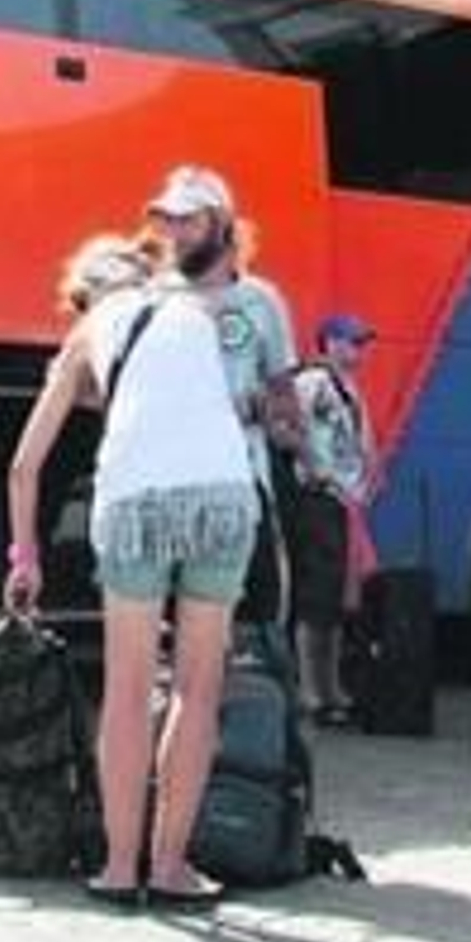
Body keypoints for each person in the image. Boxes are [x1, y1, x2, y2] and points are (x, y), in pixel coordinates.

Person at [3, 227, 257, 909]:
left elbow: (25, 466)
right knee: (197, 689)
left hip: (135, 500)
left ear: (83, 296)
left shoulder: (88, 329)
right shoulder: (194, 308)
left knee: (127, 688)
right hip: (223, 495)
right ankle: (171, 867)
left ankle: (119, 868)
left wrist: (25, 558)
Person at [142, 165, 301, 625]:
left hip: (240, 486)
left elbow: (285, 399)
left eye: (188, 220)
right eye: (170, 221)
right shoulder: (150, 299)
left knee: (253, 624)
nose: (176, 234)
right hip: (165, 490)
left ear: (221, 224)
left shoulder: (261, 301)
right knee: (173, 630)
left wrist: (262, 411)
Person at [288, 312, 378, 723]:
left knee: (340, 597)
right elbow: (293, 426)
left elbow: (361, 441)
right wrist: (315, 468)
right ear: (330, 343)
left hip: (346, 498)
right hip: (320, 495)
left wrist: (368, 475)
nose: (358, 351)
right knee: (317, 595)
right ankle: (311, 688)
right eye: (351, 342)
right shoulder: (312, 383)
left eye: (360, 343)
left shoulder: (350, 389)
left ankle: (332, 686)